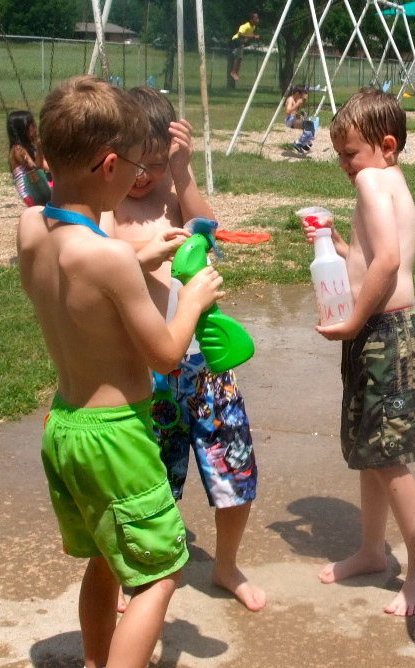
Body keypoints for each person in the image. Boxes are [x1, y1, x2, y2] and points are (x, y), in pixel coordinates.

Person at [19, 75, 223, 668]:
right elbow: (164, 353)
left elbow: (81, 289)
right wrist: (192, 297)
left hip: (67, 424)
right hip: (117, 435)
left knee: (105, 560)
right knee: (161, 570)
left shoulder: (34, 229)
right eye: (136, 169)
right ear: (110, 167)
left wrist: (137, 261)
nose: (141, 179)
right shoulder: (104, 256)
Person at [106, 86, 264, 613]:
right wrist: (144, 251)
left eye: (156, 163)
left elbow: (207, 229)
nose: (145, 176)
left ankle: (226, 564)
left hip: (204, 363)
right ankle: (145, 570)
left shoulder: (172, 194)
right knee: (155, 478)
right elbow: (102, 257)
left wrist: (184, 173)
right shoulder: (109, 211)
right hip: (147, 367)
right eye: (138, 164)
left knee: (233, 471)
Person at [302, 87, 415, 616]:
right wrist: (336, 244)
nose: (344, 164)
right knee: (370, 448)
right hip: (382, 331)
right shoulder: (388, 181)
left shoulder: (371, 179)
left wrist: (352, 321)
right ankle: (370, 549)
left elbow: (386, 265)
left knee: (388, 454)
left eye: (349, 152)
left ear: (385, 145)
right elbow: (368, 256)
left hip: (389, 333)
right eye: (338, 153)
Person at [6, 109, 52, 207]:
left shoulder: (29, 148)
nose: (36, 129)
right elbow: (35, 168)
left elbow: (44, 164)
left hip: (38, 188)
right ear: (23, 130)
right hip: (32, 193)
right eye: (33, 126)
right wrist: (40, 148)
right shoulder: (18, 150)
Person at [228, 12, 260, 87]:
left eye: (257, 17)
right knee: (238, 56)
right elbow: (240, 34)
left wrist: (254, 36)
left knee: (240, 58)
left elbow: (250, 35)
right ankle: (233, 72)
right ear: (251, 20)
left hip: (241, 42)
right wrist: (252, 37)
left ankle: (235, 72)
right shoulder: (245, 26)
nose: (257, 19)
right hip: (236, 39)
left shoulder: (253, 27)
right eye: (255, 18)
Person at [284, 85, 316, 154]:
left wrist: (304, 99)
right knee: (308, 125)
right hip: (290, 120)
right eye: (300, 95)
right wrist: (297, 104)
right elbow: (288, 111)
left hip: (294, 119)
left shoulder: (297, 100)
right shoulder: (290, 99)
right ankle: (298, 142)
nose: (300, 97)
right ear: (297, 94)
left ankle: (305, 142)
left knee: (311, 124)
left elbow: (297, 110)